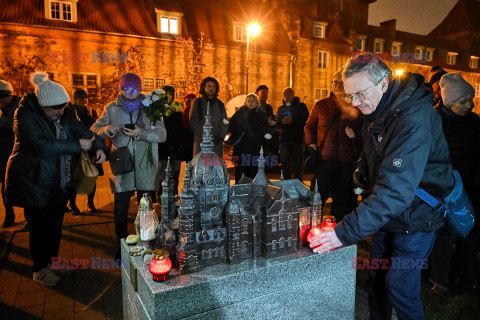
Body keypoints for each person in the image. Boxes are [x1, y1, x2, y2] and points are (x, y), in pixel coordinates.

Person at [309, 53, 455, 319]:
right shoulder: (376, 108)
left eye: (360, 94)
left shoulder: (414, 119)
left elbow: (395, 190)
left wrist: (343, 232)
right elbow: (371, 149)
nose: (355, 102)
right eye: (350, 96)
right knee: (377, 284)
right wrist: (362, 168)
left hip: (417, 217)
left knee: (400, 287)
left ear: (384, 84)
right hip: (388, 215)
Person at [5, 72, 107, 286]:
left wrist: (98, 146)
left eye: (64, 106)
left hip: (59, 179)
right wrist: (77, 145)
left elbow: (82, 129)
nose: (62, 111)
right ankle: (40, 270)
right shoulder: (24, 115)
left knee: (55, 225)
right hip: (34, 180)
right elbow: (40, 146)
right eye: (57, 108)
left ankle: (53, 262)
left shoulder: (64, 111)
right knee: (40, 227)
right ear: (44, 105)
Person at [91, 72, 166, 259]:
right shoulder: (111, 109)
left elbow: (162, 135)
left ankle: (146, 243)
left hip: (145, 163)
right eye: (126, 89)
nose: (130, 93)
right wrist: (107, 130)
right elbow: (94, 129)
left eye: (134, 89)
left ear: (140, 89)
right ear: (120, 89)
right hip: (121, 164)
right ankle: (122, 246)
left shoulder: (152, 108)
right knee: (120, 208)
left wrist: (140, 133)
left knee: (146, 207)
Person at [429, 73, 480, 295]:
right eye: (463, 101)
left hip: (472, 185)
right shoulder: (434, 120)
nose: (469, 105)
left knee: (471, 234)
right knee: (443, 234)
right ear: (449, 101)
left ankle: (466, 280)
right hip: (443, 188)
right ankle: (439, 280)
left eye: (471, 100)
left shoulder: (475, 122)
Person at [304, 70, 362, 221]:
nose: (335, 85)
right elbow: (309, 126)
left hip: (346, 164)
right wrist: (311, 144)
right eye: (334, 81)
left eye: (339, 82)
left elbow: (365, 132)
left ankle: (337, 236)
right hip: (324, 162)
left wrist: (355, 136)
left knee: (342, 204)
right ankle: (309, 231)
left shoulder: (355, 105)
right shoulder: (321, 105)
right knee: (316, 200)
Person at [66, 88, 103, 214]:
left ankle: (91, 203)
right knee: (74, 179)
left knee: (91, 177)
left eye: (85, 98)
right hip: (76, 149)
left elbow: (96, 129)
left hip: (90, 149)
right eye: (81, 98)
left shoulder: (91, 111)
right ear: (75, 99)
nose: (84, 100)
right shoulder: (69, 112)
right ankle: (73, 205)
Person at [228, 93, 271, 182]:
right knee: (241, 171)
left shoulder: (261, 114)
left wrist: (266, 135)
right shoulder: (240, 112)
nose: (251, 103)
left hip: (255, 146)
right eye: (249, 101)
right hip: (241, 146)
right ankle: (239, 190)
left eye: (253, 101)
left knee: (254, 170)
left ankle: (253, 191)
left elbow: (265, 128)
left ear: (257, 102)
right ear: (246, 102)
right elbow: (232, 125)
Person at [0, 80, 22, 228]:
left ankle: (30, 216)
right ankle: (9, 214)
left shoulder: (22, 107)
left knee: (25, 184)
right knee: (4, 184)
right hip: (2, 154)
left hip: (20, 153)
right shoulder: (1, 108)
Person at [189, 77, 228, 158]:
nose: (211, 88)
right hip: (201, 141)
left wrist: (221, 137)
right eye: (209, 86)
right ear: (204, 87)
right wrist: (206, 136)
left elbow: (225, 122)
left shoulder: (220, 104)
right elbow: (193, 122)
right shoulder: (197, 103)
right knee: (201, 167)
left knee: (215, 167)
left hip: (216, 143)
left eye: (213, 86)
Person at [275, 87, 309, 180]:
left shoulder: (301, 106)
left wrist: (292, 121)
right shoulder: (281, 108)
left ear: (293, 95)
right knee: (285, 164)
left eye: (289, 94)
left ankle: (298, 184)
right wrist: (281, 122)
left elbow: (306, 121)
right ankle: (287, 183)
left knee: (297, 165)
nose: (287, 97)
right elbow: (277, 124)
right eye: (285, 95)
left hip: (297, 140)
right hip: (284, 141)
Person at [157, 85, 183, 197]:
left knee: (176, 172)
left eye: (171, 94)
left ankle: (174, 193)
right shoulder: (158, 110)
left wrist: (179, 144)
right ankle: (161, 193)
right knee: (162, 172)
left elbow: (180, 128)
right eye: (166, 94)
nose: (168, 96)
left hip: (175, 146)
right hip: (163, 146)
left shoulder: (177, 110)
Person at [181, 93, 196, 163]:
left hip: (193, 139)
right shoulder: (185, 111)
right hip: (187, 140)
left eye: (189, 101)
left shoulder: (195, 112)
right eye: (186, 101)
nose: (187, 103)